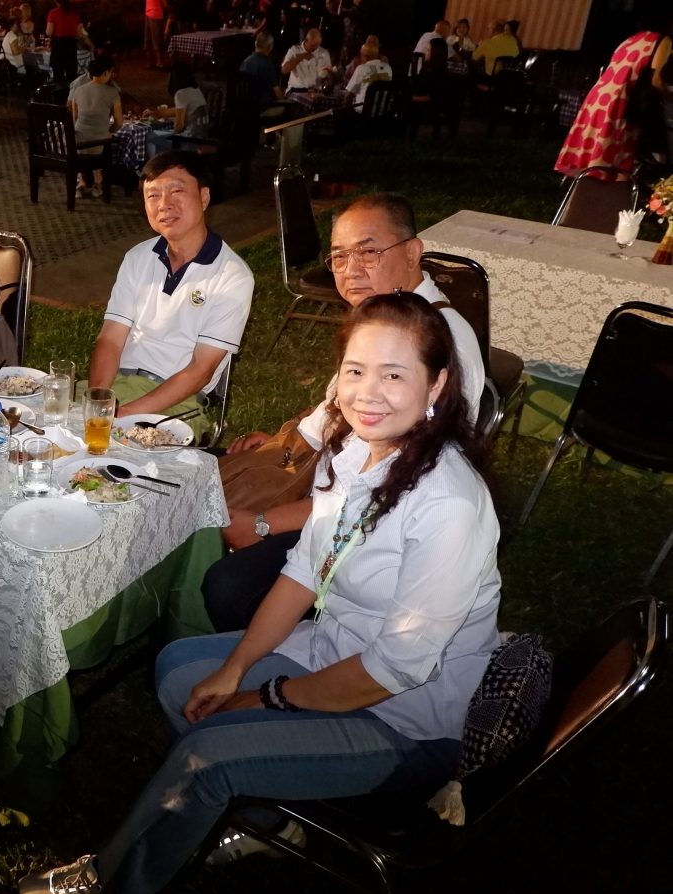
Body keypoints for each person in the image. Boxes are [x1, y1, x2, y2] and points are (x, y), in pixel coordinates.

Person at [19, 291, 501, 894]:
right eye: (355, 371)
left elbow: (393, 670)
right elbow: (302, 571)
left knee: (207, 756)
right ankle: (263, 815)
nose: (367, 393)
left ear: (437, 384)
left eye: (394, 375)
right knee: (179, 669)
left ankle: (109, 883)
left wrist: (263, 695)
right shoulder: (359, 454)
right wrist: (237, 666)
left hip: (406, 718)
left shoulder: (449, 503)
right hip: (333, 650)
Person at [204, 193, 486, 632]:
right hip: (319, 475)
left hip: (367, 524)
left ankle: (280, 649)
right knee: (193, 470)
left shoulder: (438, 341)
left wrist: (263, 524)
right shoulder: (381, 318)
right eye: (339, 256)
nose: (351, 270)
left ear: (412, 252)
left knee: (228, 585)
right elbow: (339, 406)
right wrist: (289, 437)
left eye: (368, 252)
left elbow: (382, 492)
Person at [87, 151, 254, 439]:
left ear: (204, 197)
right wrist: (99, 402)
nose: (164, 204)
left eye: (177, 191)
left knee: (121, 457)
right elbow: (111, 339)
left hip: (177, 402)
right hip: (117, 386)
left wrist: (123, 415)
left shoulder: (232, 276)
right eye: (153, 195)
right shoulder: (138, 258)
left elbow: (201, 370)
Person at [555, 12, 671, 179]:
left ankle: (583, 187)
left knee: (594, 154)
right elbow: (657, 81)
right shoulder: (662, 41)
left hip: (600, 96)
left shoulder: (631, 40)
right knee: (615, 158)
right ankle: (607, 190)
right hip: (621, 100)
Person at [69, 56, 122, 196]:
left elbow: (74, 119)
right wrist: (108, 130)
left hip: (77, 142)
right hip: (98, 143)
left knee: (87, 142)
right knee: (106, 141)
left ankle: (84, 182)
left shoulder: (78, 90)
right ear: (105, 73)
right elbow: (119, 122)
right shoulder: (112, 92)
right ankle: (98, 182)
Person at [46, 0, 89, 84]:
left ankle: (59, 90)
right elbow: (79, 33)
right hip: (71, 44)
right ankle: (72, 90)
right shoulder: (75, 14)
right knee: (71, 72)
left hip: (58, 45)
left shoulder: (53, 13)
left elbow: (49, 32)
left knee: (58, 72)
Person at [239, 29, 284, 104]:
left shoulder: (245, 62)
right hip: (264, 107)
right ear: (270, 46)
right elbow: (278, 94)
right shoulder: (268, 65)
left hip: (245, 105)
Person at [281, 28, 332, 92]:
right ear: (306, 40)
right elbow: (284, 70)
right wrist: (300, 57)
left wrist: (327, 73)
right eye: (313, 45)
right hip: (296, 89)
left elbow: (329, 73)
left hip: (315, 90)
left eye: (317, 45)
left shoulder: (324, 52)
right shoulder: (295, 50)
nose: (315, 48)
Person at [345, 37, 392, 105]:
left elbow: (349, 95)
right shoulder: (388, 67)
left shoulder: (362, 68)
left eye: (362, 54)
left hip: (362, 109)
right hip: (384, 109)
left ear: (366, 57)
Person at [144, 0, 168, 69]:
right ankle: (157, 62)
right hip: (153, 14)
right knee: (154, 40)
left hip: (151, 14)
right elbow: (165, 4)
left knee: (152, 39)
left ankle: (153, 62)